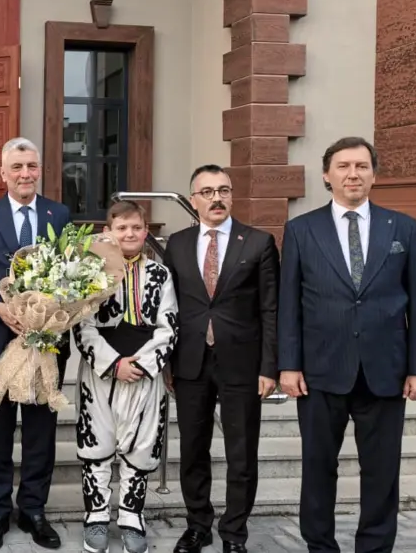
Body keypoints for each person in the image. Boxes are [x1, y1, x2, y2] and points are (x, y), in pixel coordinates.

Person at [278, 136, 416, 553]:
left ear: (373, 174)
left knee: (382, 471)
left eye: (362, 166)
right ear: (327, 176)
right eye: (344, 166)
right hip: (320, 371)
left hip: (386, 370)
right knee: (317, 468)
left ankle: (375, 547)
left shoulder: (402, 227)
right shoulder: (300, 229)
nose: (353, 173)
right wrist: (288, 365)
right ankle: (320, 546)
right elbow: (288, 303)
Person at [0, 137, 71, 551]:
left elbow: (72, 274)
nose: (26, 173)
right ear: (3, 172)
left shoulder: (57, 214)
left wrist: (53, 312)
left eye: (32, 166)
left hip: (45, 343)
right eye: (18, 167)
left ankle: (34, 510)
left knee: (41, 432)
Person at [162, 164, 279, 553]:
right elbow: (168, 308)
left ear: (232, 195)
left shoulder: (258, 243)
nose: (217, 198)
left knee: (241, 452)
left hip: (242, 364)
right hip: (190, 361)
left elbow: (270, 310)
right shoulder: (177, 244)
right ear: (193, 200)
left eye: (224, 190)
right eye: (208, 191)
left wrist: (269, 367)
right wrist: (166, 363)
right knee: (193, 448)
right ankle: (198, 525)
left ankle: (234, 533)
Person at [72, 200, 178, 553]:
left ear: (146, 231)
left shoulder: (160, 275)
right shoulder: (91, 273)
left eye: (136, 227)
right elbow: (82, 324)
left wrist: (145, 364)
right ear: (110, 231)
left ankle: (132, 517)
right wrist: (113, 362)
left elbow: (169, 325)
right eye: (122, 228)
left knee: (142, 446)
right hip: (102, 372)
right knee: (97, 445)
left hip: (146, 374)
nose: (129, 234)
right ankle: (97, 517)